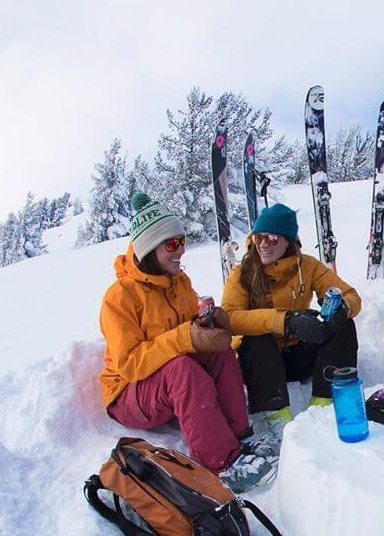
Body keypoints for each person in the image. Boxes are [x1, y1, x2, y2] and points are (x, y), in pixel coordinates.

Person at [100, 193, 277, 493]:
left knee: (220, 353)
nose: (180, 251)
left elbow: (187, 328)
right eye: (171, 244)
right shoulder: (118, 298)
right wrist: (186, 337)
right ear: (147, 250)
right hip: (128, 393)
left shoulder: (178, 281)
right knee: (182, 368)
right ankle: (220, 461)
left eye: (181, 241)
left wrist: (207, 323)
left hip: (167, 383)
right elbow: (129, 365)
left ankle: (240, 435)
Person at [221, 203, 361, 438]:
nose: (264, 244)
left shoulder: (307, 266)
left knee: (344, 325)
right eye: (259, 237)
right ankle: (273, 412)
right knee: (258, 339)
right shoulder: (241, 273)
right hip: (260, 366)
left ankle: (325, 400)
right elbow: (230, 318)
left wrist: (341, 311)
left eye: (273, 238)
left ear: (288, 240)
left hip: (297, 354)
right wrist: (286, 320)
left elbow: (351, 295)